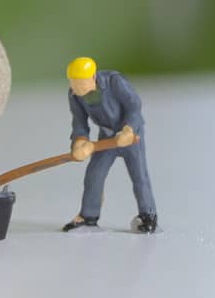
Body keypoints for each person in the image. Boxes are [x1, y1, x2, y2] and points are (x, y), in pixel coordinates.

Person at [62, 56, 158, 233]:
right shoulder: (75, 95)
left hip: (130, 136)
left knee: (139, 176)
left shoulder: (114, 82)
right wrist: (79, 143)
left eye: (81, 84)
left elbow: (134, 106)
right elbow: (79, 122)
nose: (77, 89)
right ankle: (88, 215)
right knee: (94, 174)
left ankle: (148, 215)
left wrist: (128, 129)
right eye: (74, 84)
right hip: (106, 139)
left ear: (93, 78)